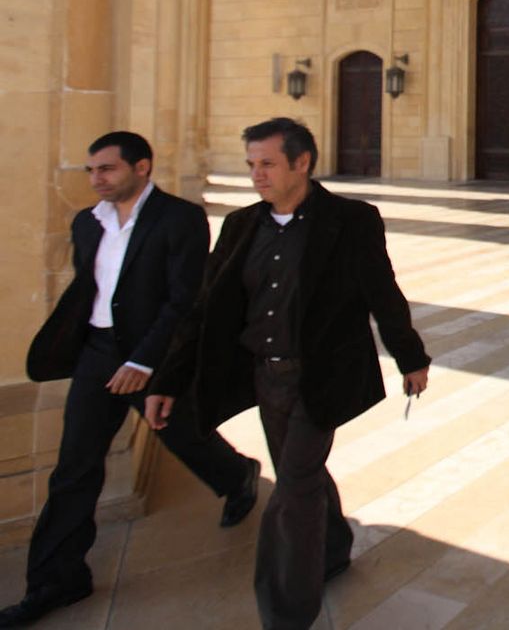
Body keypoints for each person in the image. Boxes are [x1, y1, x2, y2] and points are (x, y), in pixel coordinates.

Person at [145, 117, 430, 630]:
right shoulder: (240, 227)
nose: (257, 174)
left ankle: (285, 614)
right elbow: (204, 310)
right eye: (252, 164)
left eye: (268, 163)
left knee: (292, 493)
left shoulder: (351, 220)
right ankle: (336, 546)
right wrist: (167, 380)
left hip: (320, 376)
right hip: (263, 376)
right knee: (303, 473)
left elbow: (381, 293)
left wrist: (410, 358)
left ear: (302, 163)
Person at [0, 133, 260, 628]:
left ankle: (236, 475)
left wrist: (143, 362)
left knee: (181, 432)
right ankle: (57, 581)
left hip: (155, 357)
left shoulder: (179, 218)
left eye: (107, 169)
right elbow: (93, 292)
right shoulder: (86, 223)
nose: (97, 179)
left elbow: (184, 298)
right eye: (92, 170)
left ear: (141, 168)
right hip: (98, 356)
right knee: (74, 468)